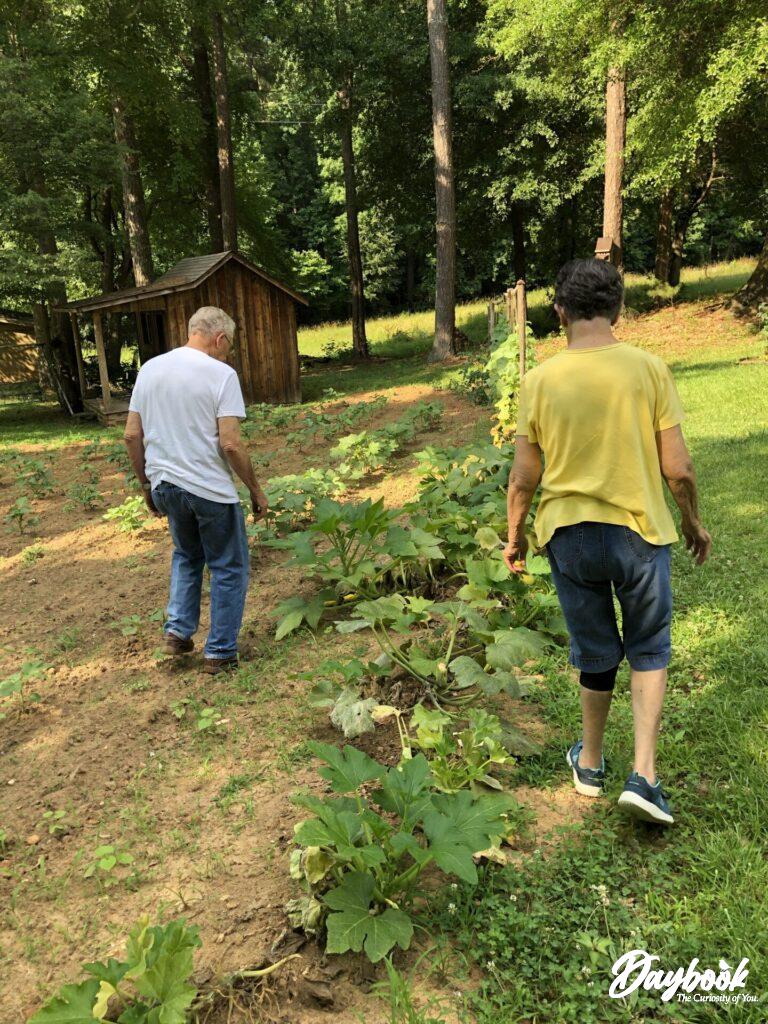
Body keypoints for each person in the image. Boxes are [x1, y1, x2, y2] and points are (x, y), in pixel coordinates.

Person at [502, 259, 711, 825]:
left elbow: (523, 477)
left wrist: (515, 536)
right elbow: (679, 468)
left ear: (561, 312)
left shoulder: (538, 381)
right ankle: (644, 774)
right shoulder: (648, 369)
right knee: (648, 645)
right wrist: (692, 521)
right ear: (618, 308)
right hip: (639, 533)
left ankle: (589, 762)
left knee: (594, 650)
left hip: (567, 536)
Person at [123, 306, 269, 675]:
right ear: (219, 339)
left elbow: (131, 435)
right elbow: (232, 444)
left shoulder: (150, 369)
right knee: (228, 566)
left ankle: (177, 631)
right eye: (229, 345)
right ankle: (219, 652)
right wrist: (254, 489)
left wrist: (145, 484)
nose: (228, 353)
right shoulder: (221, 374)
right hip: (207, 489)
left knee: (187, 556)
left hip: (165, 485)